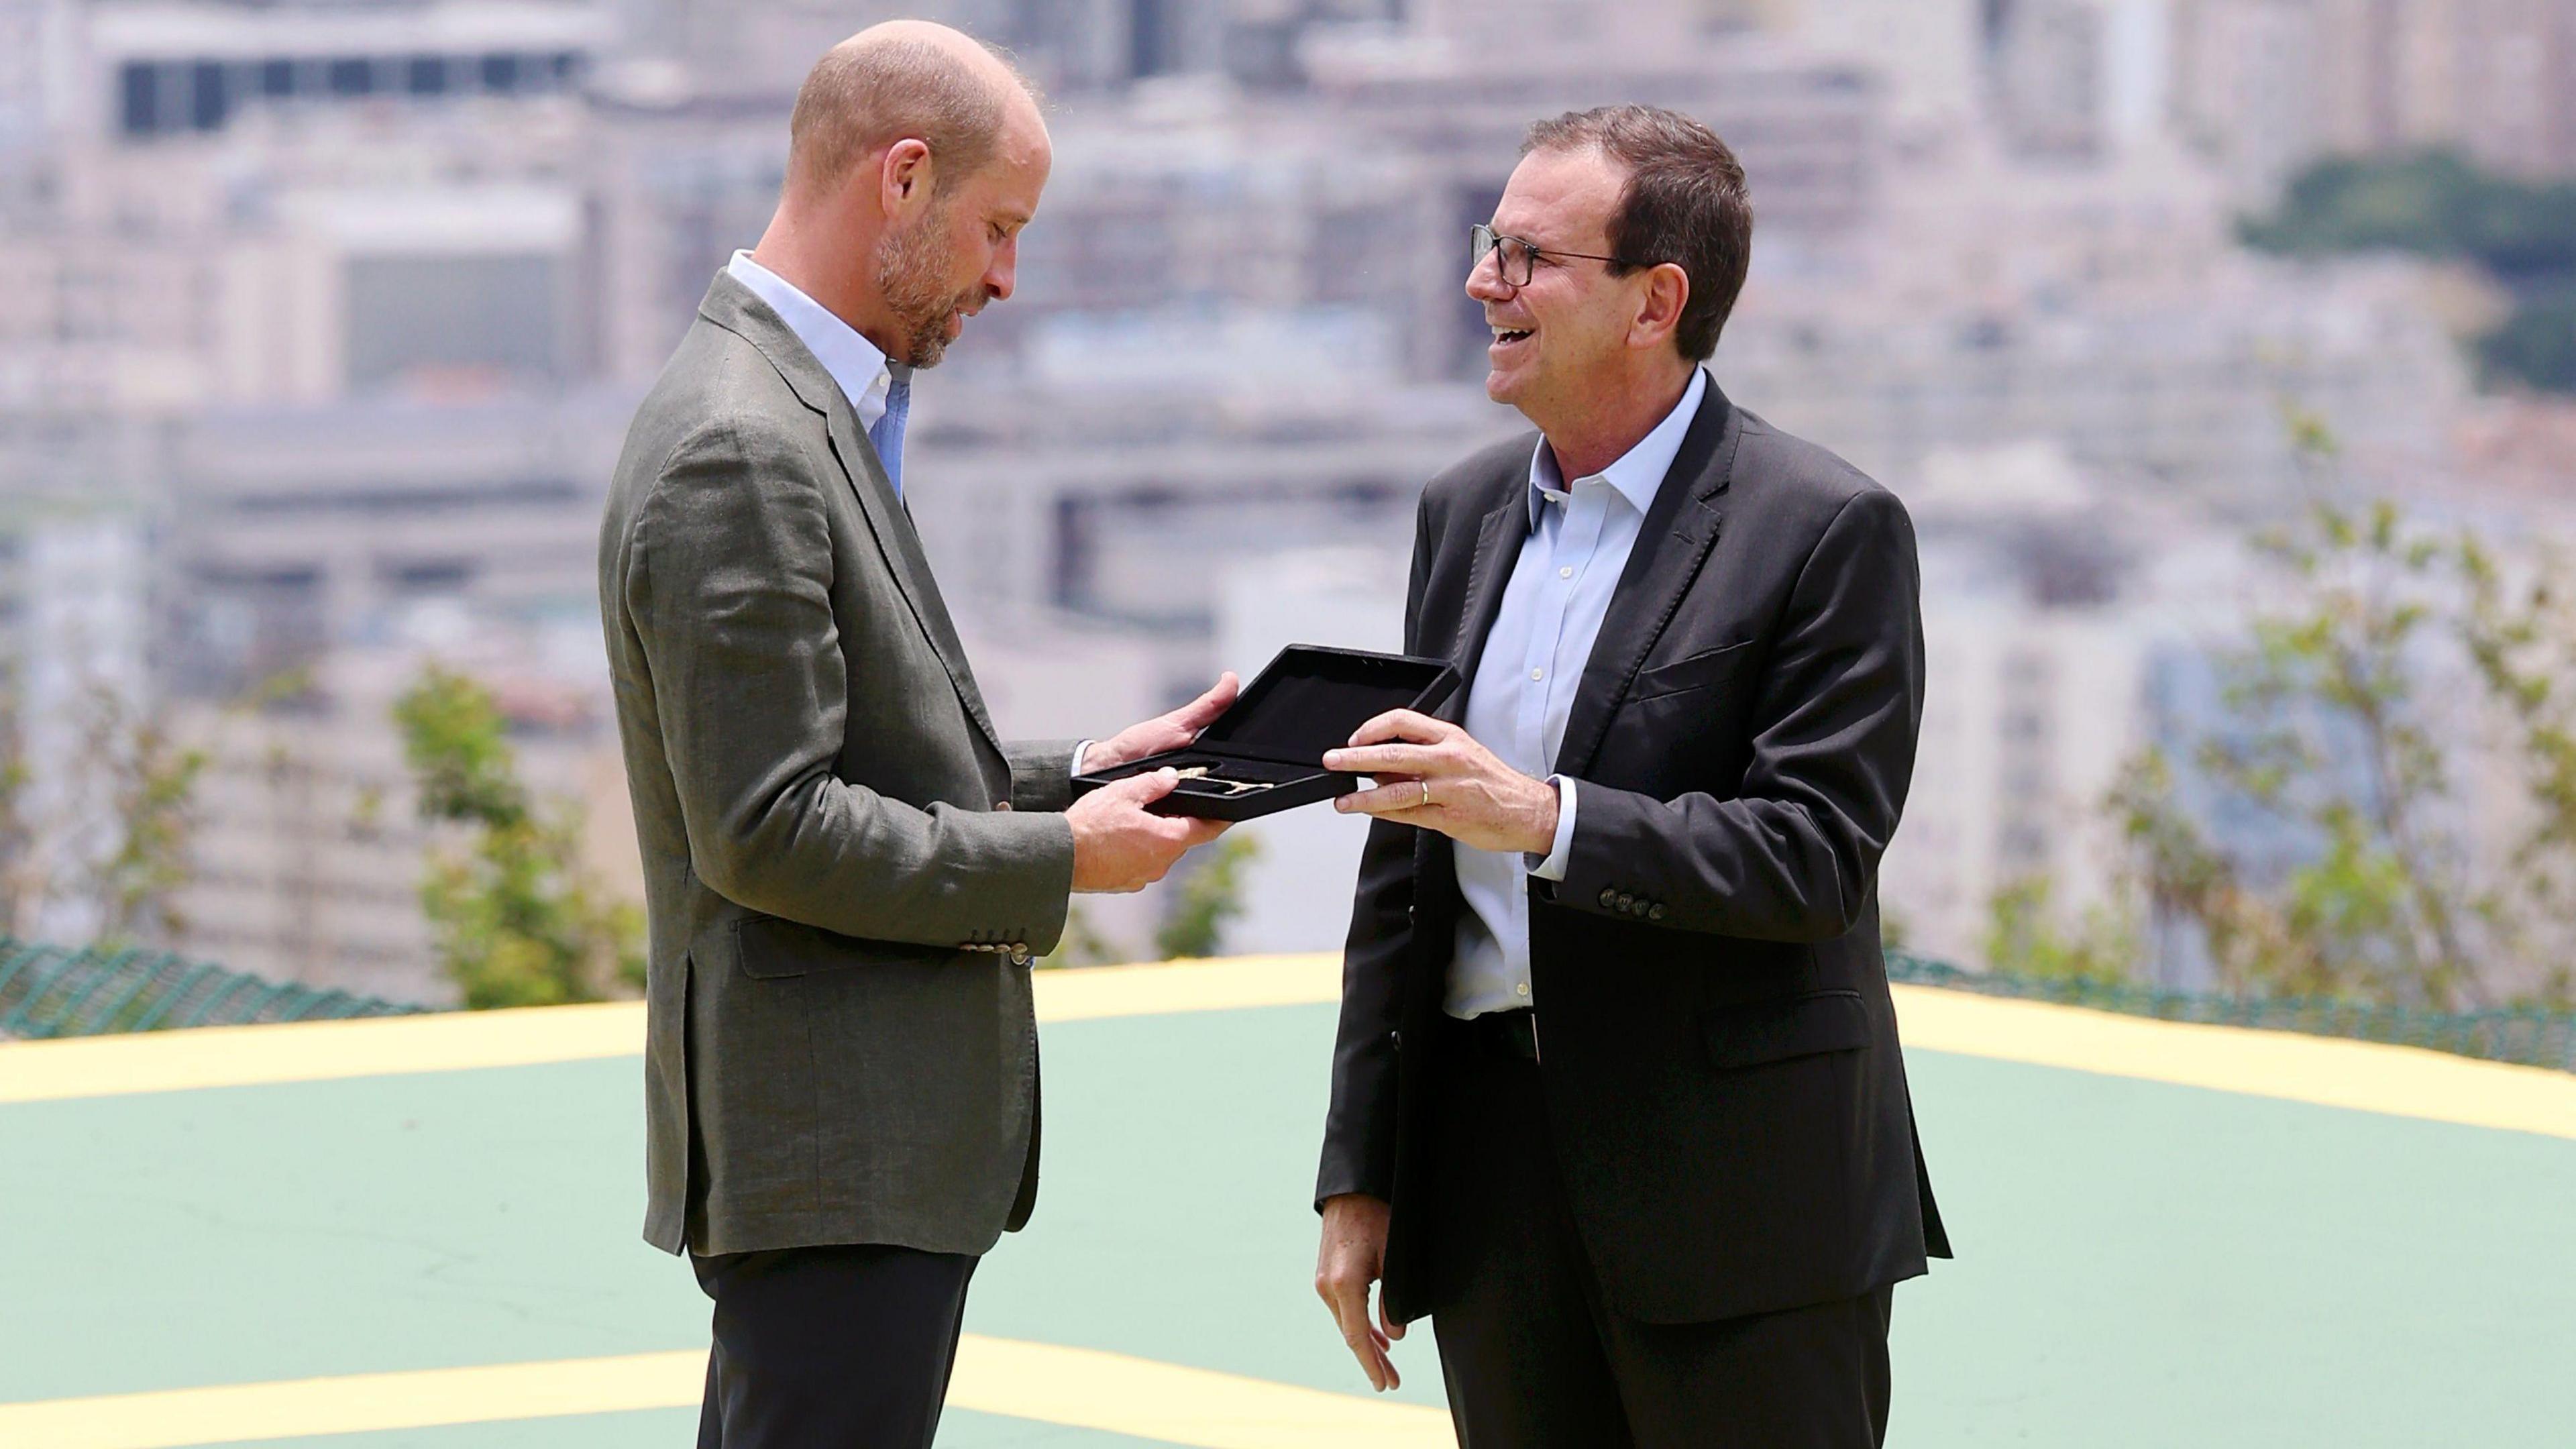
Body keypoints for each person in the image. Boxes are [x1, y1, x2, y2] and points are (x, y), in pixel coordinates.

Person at [596, 22, 1235, 1448]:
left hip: (852, 1161)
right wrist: (1061, 861)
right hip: (832, 1151)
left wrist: (1084, 777)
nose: (1005, 276)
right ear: (901, 180)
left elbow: (857, 753)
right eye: (999, 227)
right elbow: (767, 826)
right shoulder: (740, 445)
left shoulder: (800, 407)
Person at [1310, 105, 1951, 1448]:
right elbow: (1403, 868)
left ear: (1658, 299)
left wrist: (1542, 817)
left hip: (1743, 1204)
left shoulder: (1828, 529)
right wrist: (1361, 1178)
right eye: (1493, 245)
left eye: (1531, 257)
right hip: (1489, 1190)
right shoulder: (1461, 512)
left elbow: (1814, 856)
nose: (1483, 281)